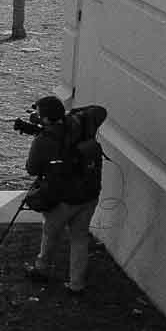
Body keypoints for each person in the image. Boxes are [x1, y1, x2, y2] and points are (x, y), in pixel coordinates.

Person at [23, 96, 109, 295]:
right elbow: (99, 109)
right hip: (89, 193)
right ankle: (76, 284)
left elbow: (32, 169)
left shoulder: (43, 140)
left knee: (50, 233)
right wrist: (67, 114)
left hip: (62, 198)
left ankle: (41, 268)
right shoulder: (83, 122)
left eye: (39, 115)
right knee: (79, 238)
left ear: (45, 119)